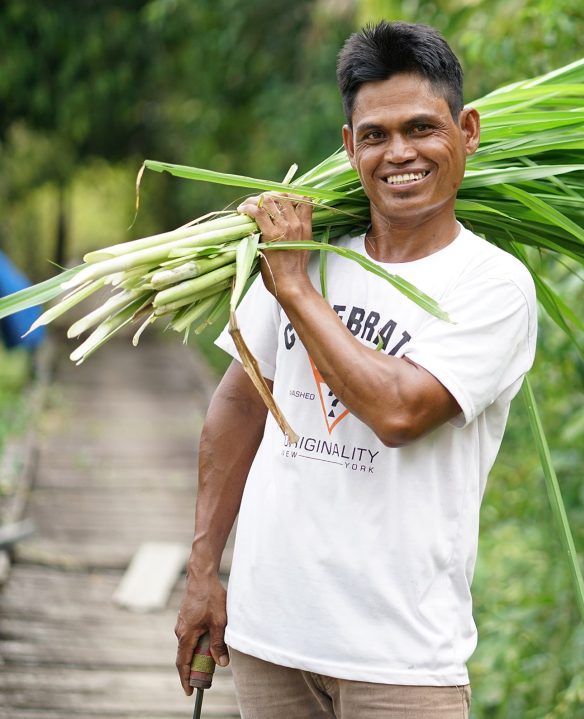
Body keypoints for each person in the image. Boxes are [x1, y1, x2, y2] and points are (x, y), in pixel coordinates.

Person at [173, 21, 537, 718]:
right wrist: (201, 570)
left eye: (421, 128)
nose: (399, 152)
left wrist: (296, 287)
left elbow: (401, 411)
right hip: (267, 638)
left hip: (400, 661)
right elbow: (238, 408)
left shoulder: (491, 285)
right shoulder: (306, 256)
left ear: (467, 131)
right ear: (348, 147)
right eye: (374, 135)